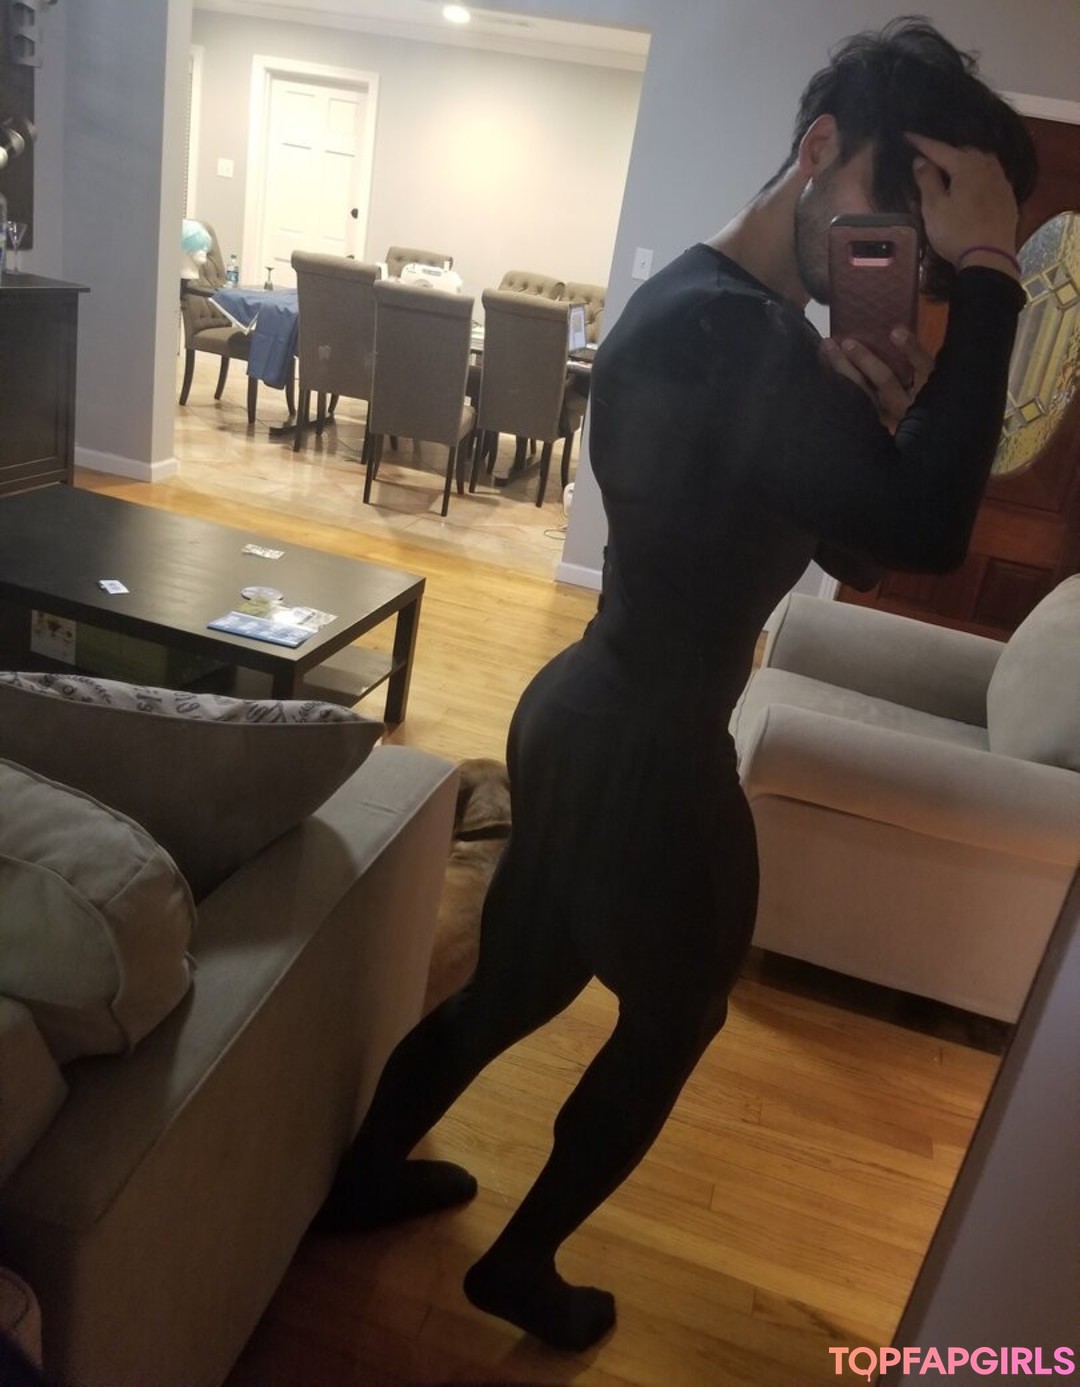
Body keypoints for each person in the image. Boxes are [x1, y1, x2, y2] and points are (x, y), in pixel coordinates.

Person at [312, 17, 1036, 1353]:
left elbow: (861, 546)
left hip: (587, 710)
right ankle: (521, 1264)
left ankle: (358, 1183)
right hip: (652, 746)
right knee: (673, 1020)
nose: (903, 255)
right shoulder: (743, 339)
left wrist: (880, 419)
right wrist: (995, 272)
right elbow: (931, 534)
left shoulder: (719, 317)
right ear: (818, 149)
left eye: (932, 246)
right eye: (902, 204)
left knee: (518, 983)